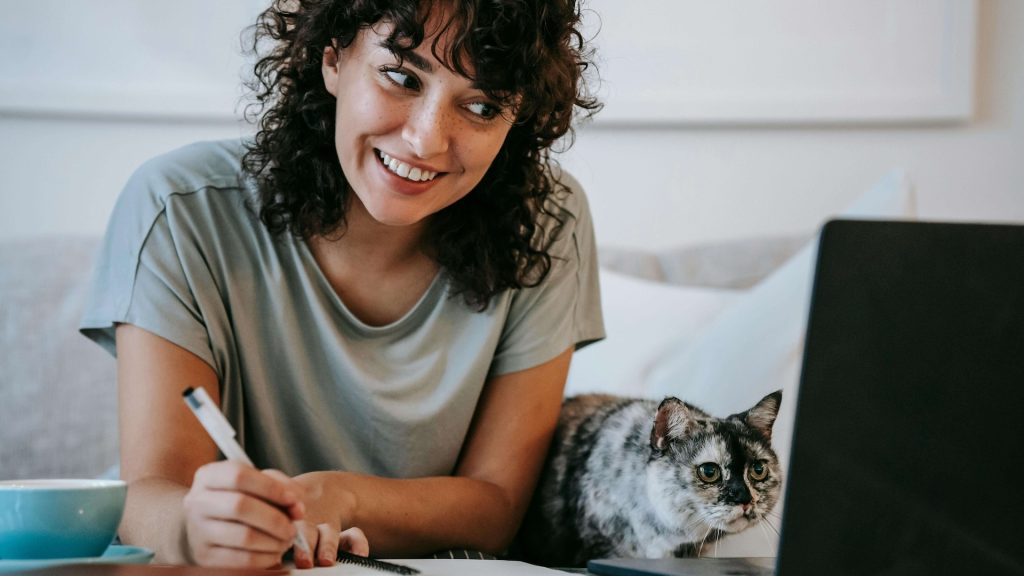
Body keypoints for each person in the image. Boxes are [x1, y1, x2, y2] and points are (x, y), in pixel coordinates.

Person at [80, 0, 603, 569]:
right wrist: (196, 530)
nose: (426, 140)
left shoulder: (549, 221)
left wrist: (342, 496)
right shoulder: (178, 210)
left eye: (481, 106)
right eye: (402, 77)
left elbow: (497, 505)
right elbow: (151, 492)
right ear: (332, 58)